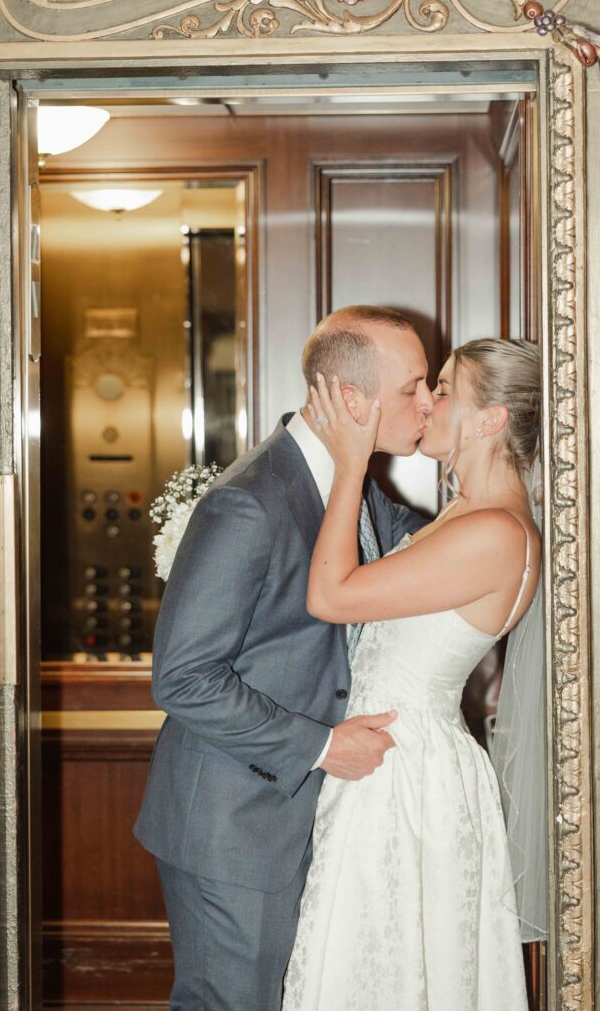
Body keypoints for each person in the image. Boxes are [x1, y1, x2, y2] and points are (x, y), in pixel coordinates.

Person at [134, 305, 434, 1011]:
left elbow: (422, 546)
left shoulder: (347, 479)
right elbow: (183, 676)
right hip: (234, 827)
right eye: (414, 388)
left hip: (297, 816)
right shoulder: (249, 502)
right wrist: (323, 746)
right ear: (352, 400)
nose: (428, 402)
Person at [283, 338, 542, 1011]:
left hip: (404, 775)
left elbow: (331, 596)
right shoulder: (466, 513)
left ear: (491, 419)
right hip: (399, 761)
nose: (426, 403)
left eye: (446, 390)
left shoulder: (494, 532)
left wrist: (351, 463)